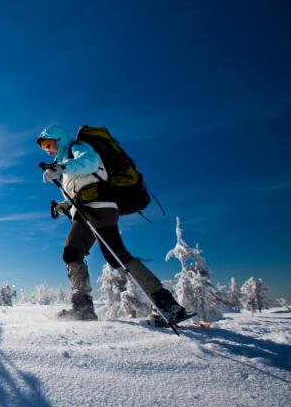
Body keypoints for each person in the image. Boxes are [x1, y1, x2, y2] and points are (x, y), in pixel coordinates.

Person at [37, 125, 188, 325]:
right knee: (78, 253)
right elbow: (79, 189)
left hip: (98, 207)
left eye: (49, 144)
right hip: (88, 209)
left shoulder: (77, 148)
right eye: (43, 148)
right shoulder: (66, 163)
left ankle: (166, 304)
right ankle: (83, 307)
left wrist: (61, 168)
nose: (48, 150)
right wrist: (64, 205)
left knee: (114, 255)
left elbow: (91, 163)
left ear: (59, 139)